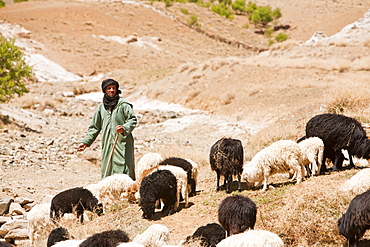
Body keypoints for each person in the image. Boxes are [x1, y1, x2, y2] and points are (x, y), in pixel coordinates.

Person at [77, 78, 137, 180]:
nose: (112, 90)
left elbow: (132, 119)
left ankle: (127, 193)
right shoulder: (101, 107)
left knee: (125, 170)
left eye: (113, 88)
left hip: (122, 143)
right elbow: (95, 127)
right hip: (108, 144)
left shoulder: (123, 105)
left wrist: (124, 128)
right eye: (109, 88)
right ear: (104, 90)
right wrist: (86, 142)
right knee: (107, 169)